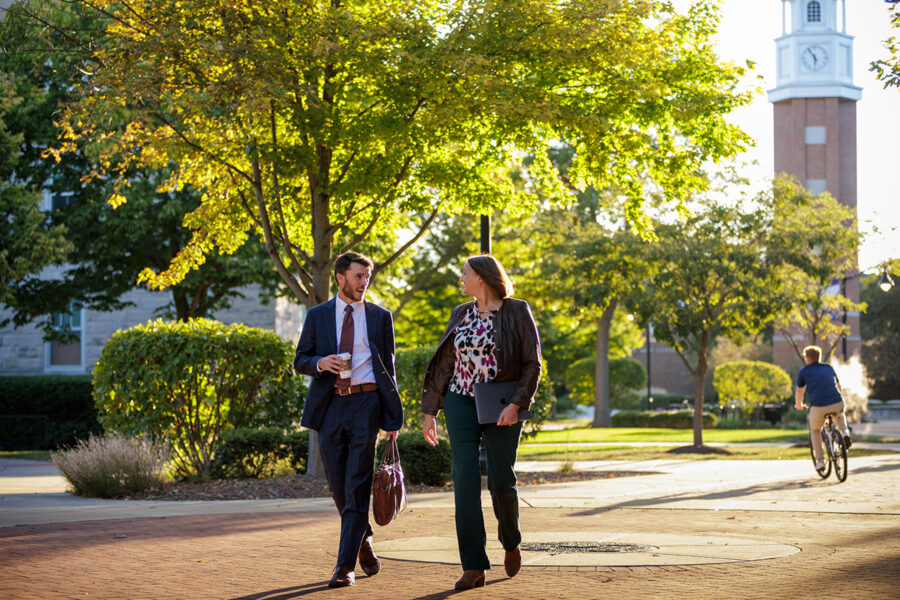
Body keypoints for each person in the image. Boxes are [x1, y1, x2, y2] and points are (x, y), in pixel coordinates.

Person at [421, 254, 542, 590]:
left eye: (465, 273)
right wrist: (430, 411)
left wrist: (518, 403)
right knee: (464, 479)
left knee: (501, 480)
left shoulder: (516, 310)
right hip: (461, 401)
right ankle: (473, 565)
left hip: (501, 404)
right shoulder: (460, 314)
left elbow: (533, 363)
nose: (461, 278)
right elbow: (445, 365)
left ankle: (511, 540)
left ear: (484, 277)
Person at [294, 251, 402, 588]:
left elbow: (388, 367)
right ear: (340, 277)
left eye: (367, 277)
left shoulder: (380, 317)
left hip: (366, 404)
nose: (364, 283)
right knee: (338, 485)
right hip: (330, 406)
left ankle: (344, 567)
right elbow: (300, 359)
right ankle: (364, 538)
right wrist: (319, 363)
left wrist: (392, 417)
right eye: (358, 276)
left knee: (357, 484)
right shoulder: (318, 315)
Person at [795, 345, 852, 471]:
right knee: (839, 415)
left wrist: (799, 405)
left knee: (815, 430)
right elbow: (838, 386)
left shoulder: (804, 371)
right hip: (837, 401)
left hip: (818, 406)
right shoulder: (828, 367)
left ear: (808, 358)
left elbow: (800, 392)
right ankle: (845, 434)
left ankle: (820, 461)